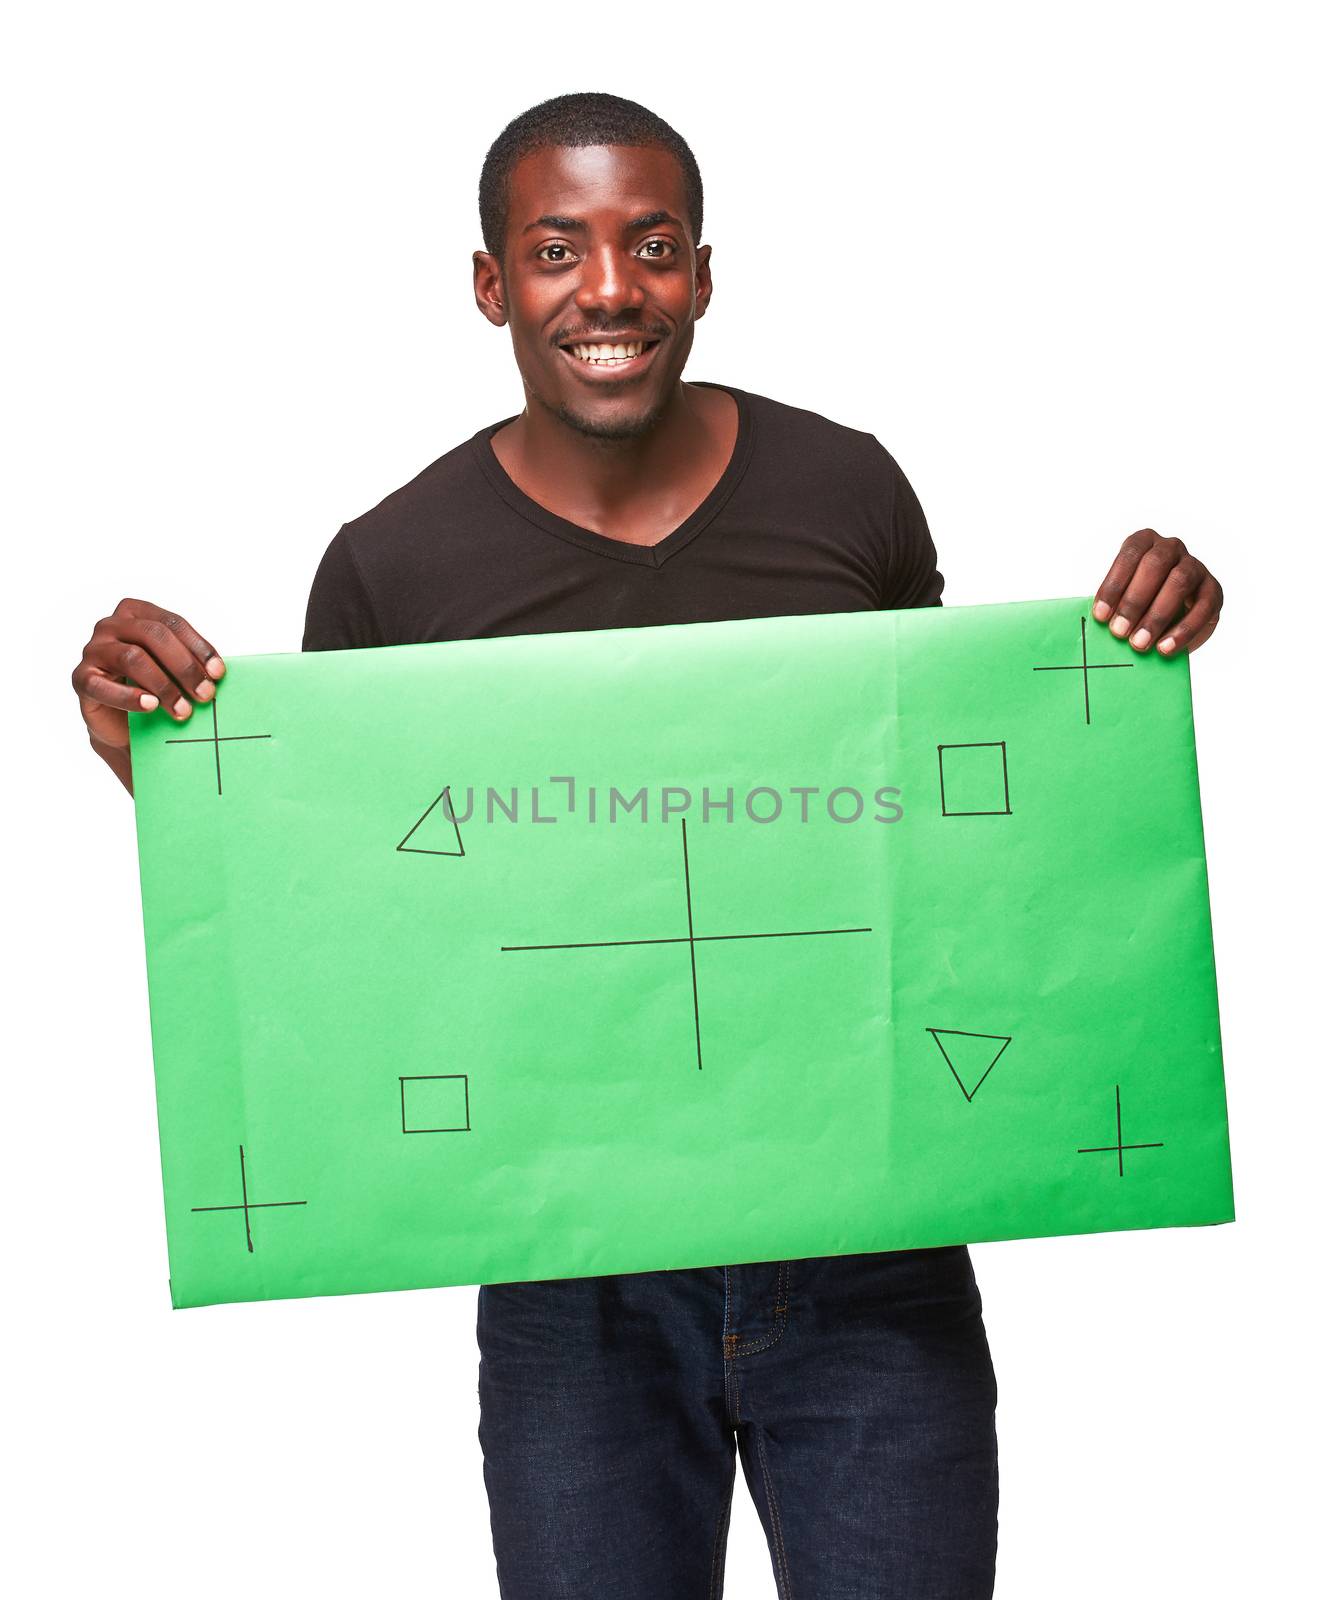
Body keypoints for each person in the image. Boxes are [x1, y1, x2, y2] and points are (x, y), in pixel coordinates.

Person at [72, 93, 1224, 1600]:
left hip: (871, 1238)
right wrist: (167, 776)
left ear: (701, 272)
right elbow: (365, 913)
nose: (608, 289)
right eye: (556, 249)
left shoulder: (846, 492)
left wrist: (1122, 666)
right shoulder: (391, 562)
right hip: (572, 1279)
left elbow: (941, 837)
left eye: (651, 246)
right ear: (490, 285)